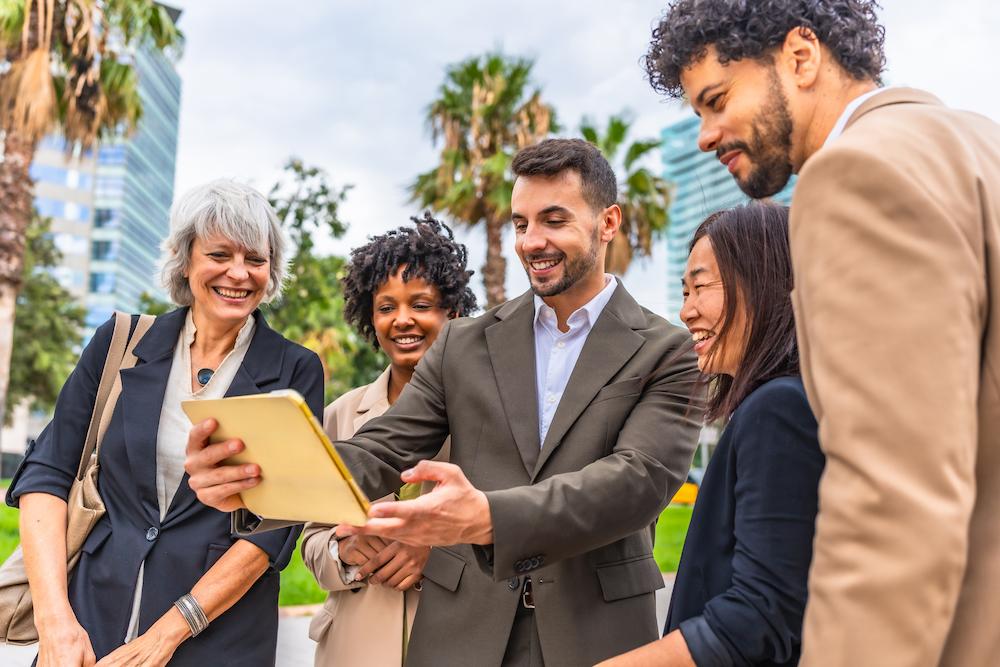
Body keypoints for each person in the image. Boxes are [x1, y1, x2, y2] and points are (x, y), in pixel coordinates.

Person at [186, 138, 704, 665]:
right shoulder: (463, 344)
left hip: (597, 635)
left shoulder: (668, 350)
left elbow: (637, 482)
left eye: (554, 220)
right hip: (462, 636)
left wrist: (488, 518)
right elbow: (381, 450)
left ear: (608, 222)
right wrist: (258, 476)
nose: (532, 242)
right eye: (521, 224)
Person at [644, 2, 1000, 665]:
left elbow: (891, 509)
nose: (705, 136)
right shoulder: (977, 142)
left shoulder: (854, 173)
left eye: (717, 101)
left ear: (801, 57)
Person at [6, 179, 324, 666]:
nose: (239, 273)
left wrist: (167, 634)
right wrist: (56, 624)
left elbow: (274, 528)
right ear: (185, 259)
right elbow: (48, 473)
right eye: (219, 254)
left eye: (255, 259)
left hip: (217, 642)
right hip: (87, 630)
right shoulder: (121, 342)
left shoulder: (294, 369)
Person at [601, 202, 824, 666]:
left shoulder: (777, 409)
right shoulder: (787, 400)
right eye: (684, 292)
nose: (686, 311)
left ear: (763, 282)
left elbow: (761, 615)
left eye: (700, 287)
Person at [300, 213, 477, 667]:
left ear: (453, 313)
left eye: (421, 304)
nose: (402, 320)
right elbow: (310, 540)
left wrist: (434, 553)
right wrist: (343, 553)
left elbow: (513, 528)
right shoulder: (340, 415)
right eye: (385, 308)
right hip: (352, 647)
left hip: (454, 642)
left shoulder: (488, 415)